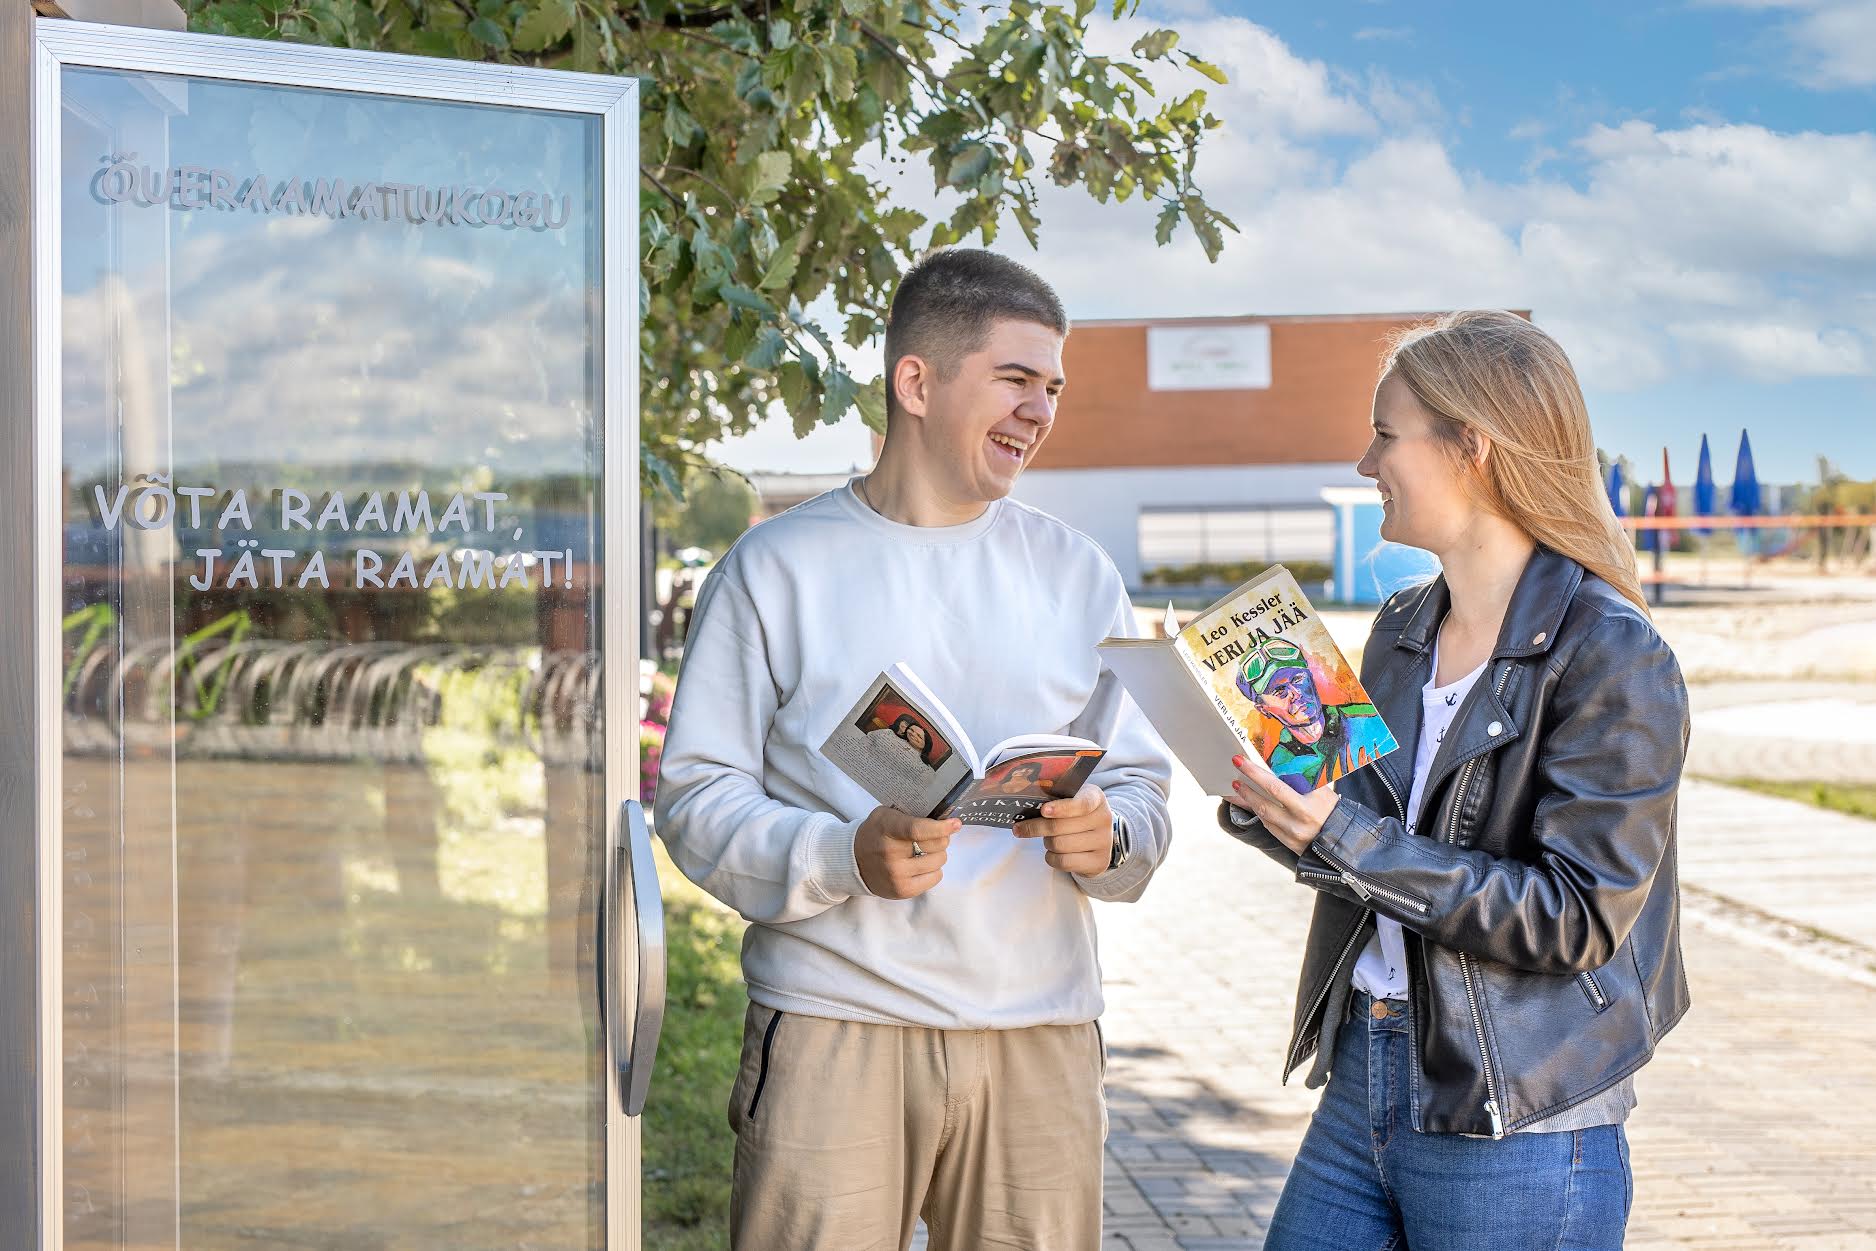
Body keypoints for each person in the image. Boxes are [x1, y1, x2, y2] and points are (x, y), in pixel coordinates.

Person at [655, 247, 1174, 1251]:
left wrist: (1108, 837)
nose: (1040, 411)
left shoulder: (1077, 573)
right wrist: (837, 855)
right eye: (1016, 380)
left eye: (1053, 388)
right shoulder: (775, 567)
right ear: (916, 382)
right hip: (831, 1026)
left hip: (1040, 1034)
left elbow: (1142, 785)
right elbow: (694, 794)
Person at [1219, 310, 1689, 1250]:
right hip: (1362, 1076)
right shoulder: (1400, 629)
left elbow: (1574, 919)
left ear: (1470, 445)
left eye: (1386, 435)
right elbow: (1362, 848)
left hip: (1515, 1109)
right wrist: (1273, 808)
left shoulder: (1612, 652)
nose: (1364, 463)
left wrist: (1337, 834)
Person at [1236, 637, 1393, 794]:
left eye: (1298, 679)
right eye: (1279, 691)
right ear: (1264, 710)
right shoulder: (1278, 767)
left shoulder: (1368, 718)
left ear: (1310, 677)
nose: (1296, 693)